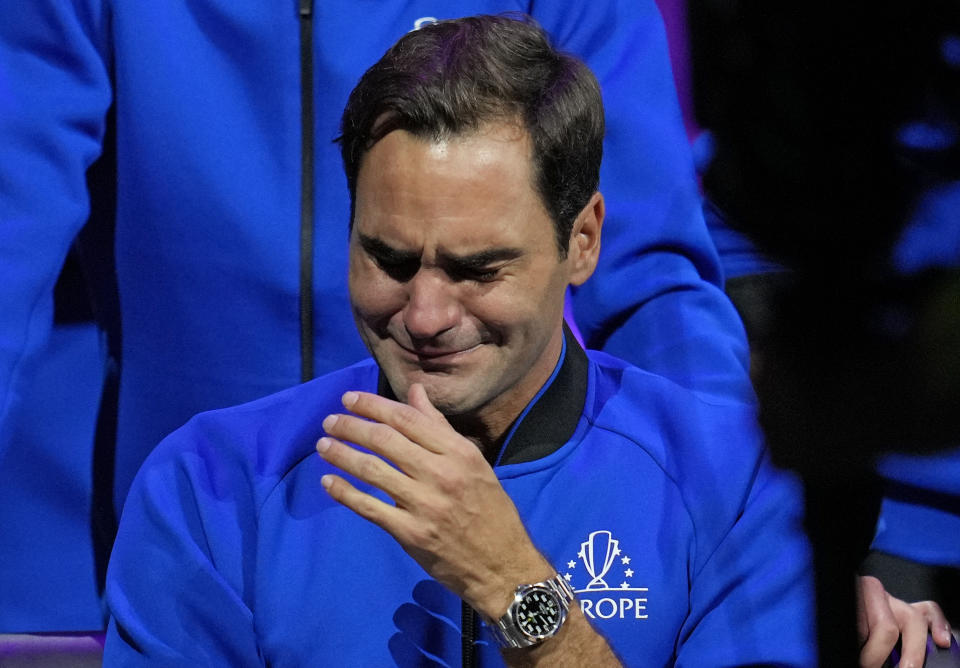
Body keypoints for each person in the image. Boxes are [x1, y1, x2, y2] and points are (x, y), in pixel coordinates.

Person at [0, 0, 750, 628]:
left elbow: (650, 275)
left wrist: (752, 536)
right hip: (201, 551)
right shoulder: (193, 497)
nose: (424, 315)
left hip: (528, 550)